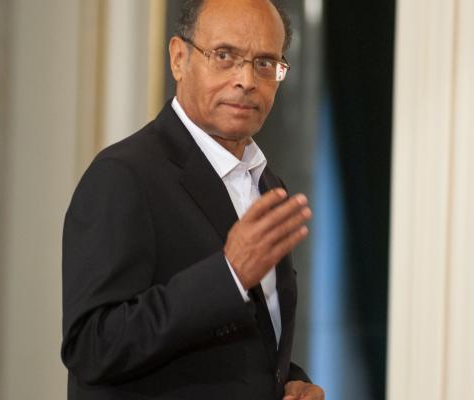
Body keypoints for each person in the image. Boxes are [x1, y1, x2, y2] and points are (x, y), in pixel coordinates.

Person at [60, 0, 325, 399]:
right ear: (179, 58)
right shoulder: (123, 175)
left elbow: (247, 343)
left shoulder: (267, 183)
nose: (246, 80)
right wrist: (229, 274)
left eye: (264, 63)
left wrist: (292, 381)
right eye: (224, 56)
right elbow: (92, 347)